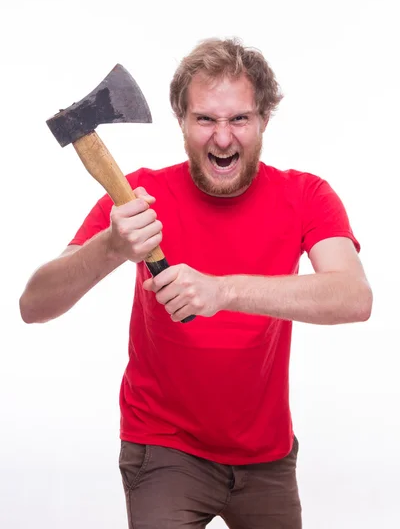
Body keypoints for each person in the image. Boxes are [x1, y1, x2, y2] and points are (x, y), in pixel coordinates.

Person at [19, 38, 372, 529]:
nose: (222, 138)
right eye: (205, 119)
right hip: (164, 449)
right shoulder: (139, 196)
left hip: (266, 454)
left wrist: (223, 290)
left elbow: (353, 297)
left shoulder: (306, 195)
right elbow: (34, 305)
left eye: (239, 119)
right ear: (182, 121)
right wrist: (110, 247)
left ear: (264, 120)